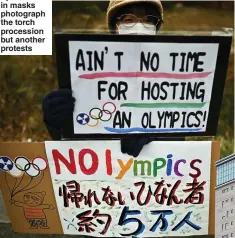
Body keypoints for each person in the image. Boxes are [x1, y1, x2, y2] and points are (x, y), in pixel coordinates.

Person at [42, 0, 164, 159]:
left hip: (155, 172)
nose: (139, 26)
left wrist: (157, 136)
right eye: (128, 20)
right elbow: (76, 145)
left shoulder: (176, 72)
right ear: (115, 27)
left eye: (148, 20)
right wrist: (58, 124)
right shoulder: (87, 73)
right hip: (104, 171)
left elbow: (181, 136)